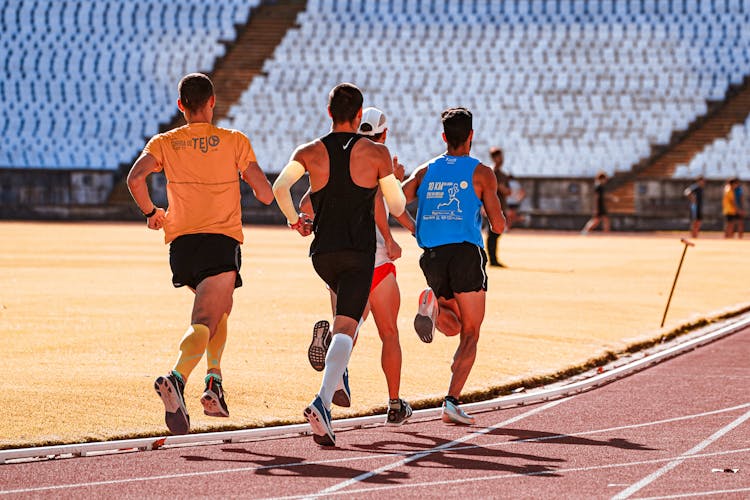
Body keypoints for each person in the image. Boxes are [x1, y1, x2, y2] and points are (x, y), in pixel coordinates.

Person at [126, 73, 274, 435]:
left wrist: (151, 213)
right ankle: (177, 378)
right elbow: (266, 194)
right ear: (212, 102)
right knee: (207, 316)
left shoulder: (165, 141)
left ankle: (214, 381)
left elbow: (134, 178)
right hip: (220, 240)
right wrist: (255, 185)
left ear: (181, 106)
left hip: (182, 247)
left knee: (220, 308)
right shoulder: (234, 141)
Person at [272, 84, 406, 446]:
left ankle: (333, 385)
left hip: (322, 255)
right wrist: (391, 174)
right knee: (347, 326)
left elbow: (280, 189)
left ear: (329, 112)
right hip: (359, 253)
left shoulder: (309, 151)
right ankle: (322, 401)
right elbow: (395, 205)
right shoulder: (376, 152)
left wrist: (293, 221)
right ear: (359, 115)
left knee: (344, 317)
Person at [300, 107, 414, 427]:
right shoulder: (378, 158)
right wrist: (393, 237)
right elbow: (384, 202)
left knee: (348, 327)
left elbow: (308, 203)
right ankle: (394, 403)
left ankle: (336, 381)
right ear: (384, 134)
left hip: (335, 256)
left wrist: (313, 219)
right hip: (371, 256)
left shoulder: (338, 160)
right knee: (388, 332)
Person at [401, 107, 505, 425]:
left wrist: (414, 227)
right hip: (465, 254)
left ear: (444, 137)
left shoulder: (425, 170)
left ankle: (433, 308)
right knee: (471, 332)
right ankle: (451, 401)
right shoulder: (482, 173)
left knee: (454, 324)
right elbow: (498, 225)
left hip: (431, 256)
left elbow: (393, 200)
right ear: (471, 136)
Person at [486, 146, 511, 266]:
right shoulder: (491, 173)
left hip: (501, 207)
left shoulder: (502, 174)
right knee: (493, 234)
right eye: (498, 157)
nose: (501, 159)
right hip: (493, 207)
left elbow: (508, 191)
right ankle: (492, 260)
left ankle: (493, 259)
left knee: (496, 234)